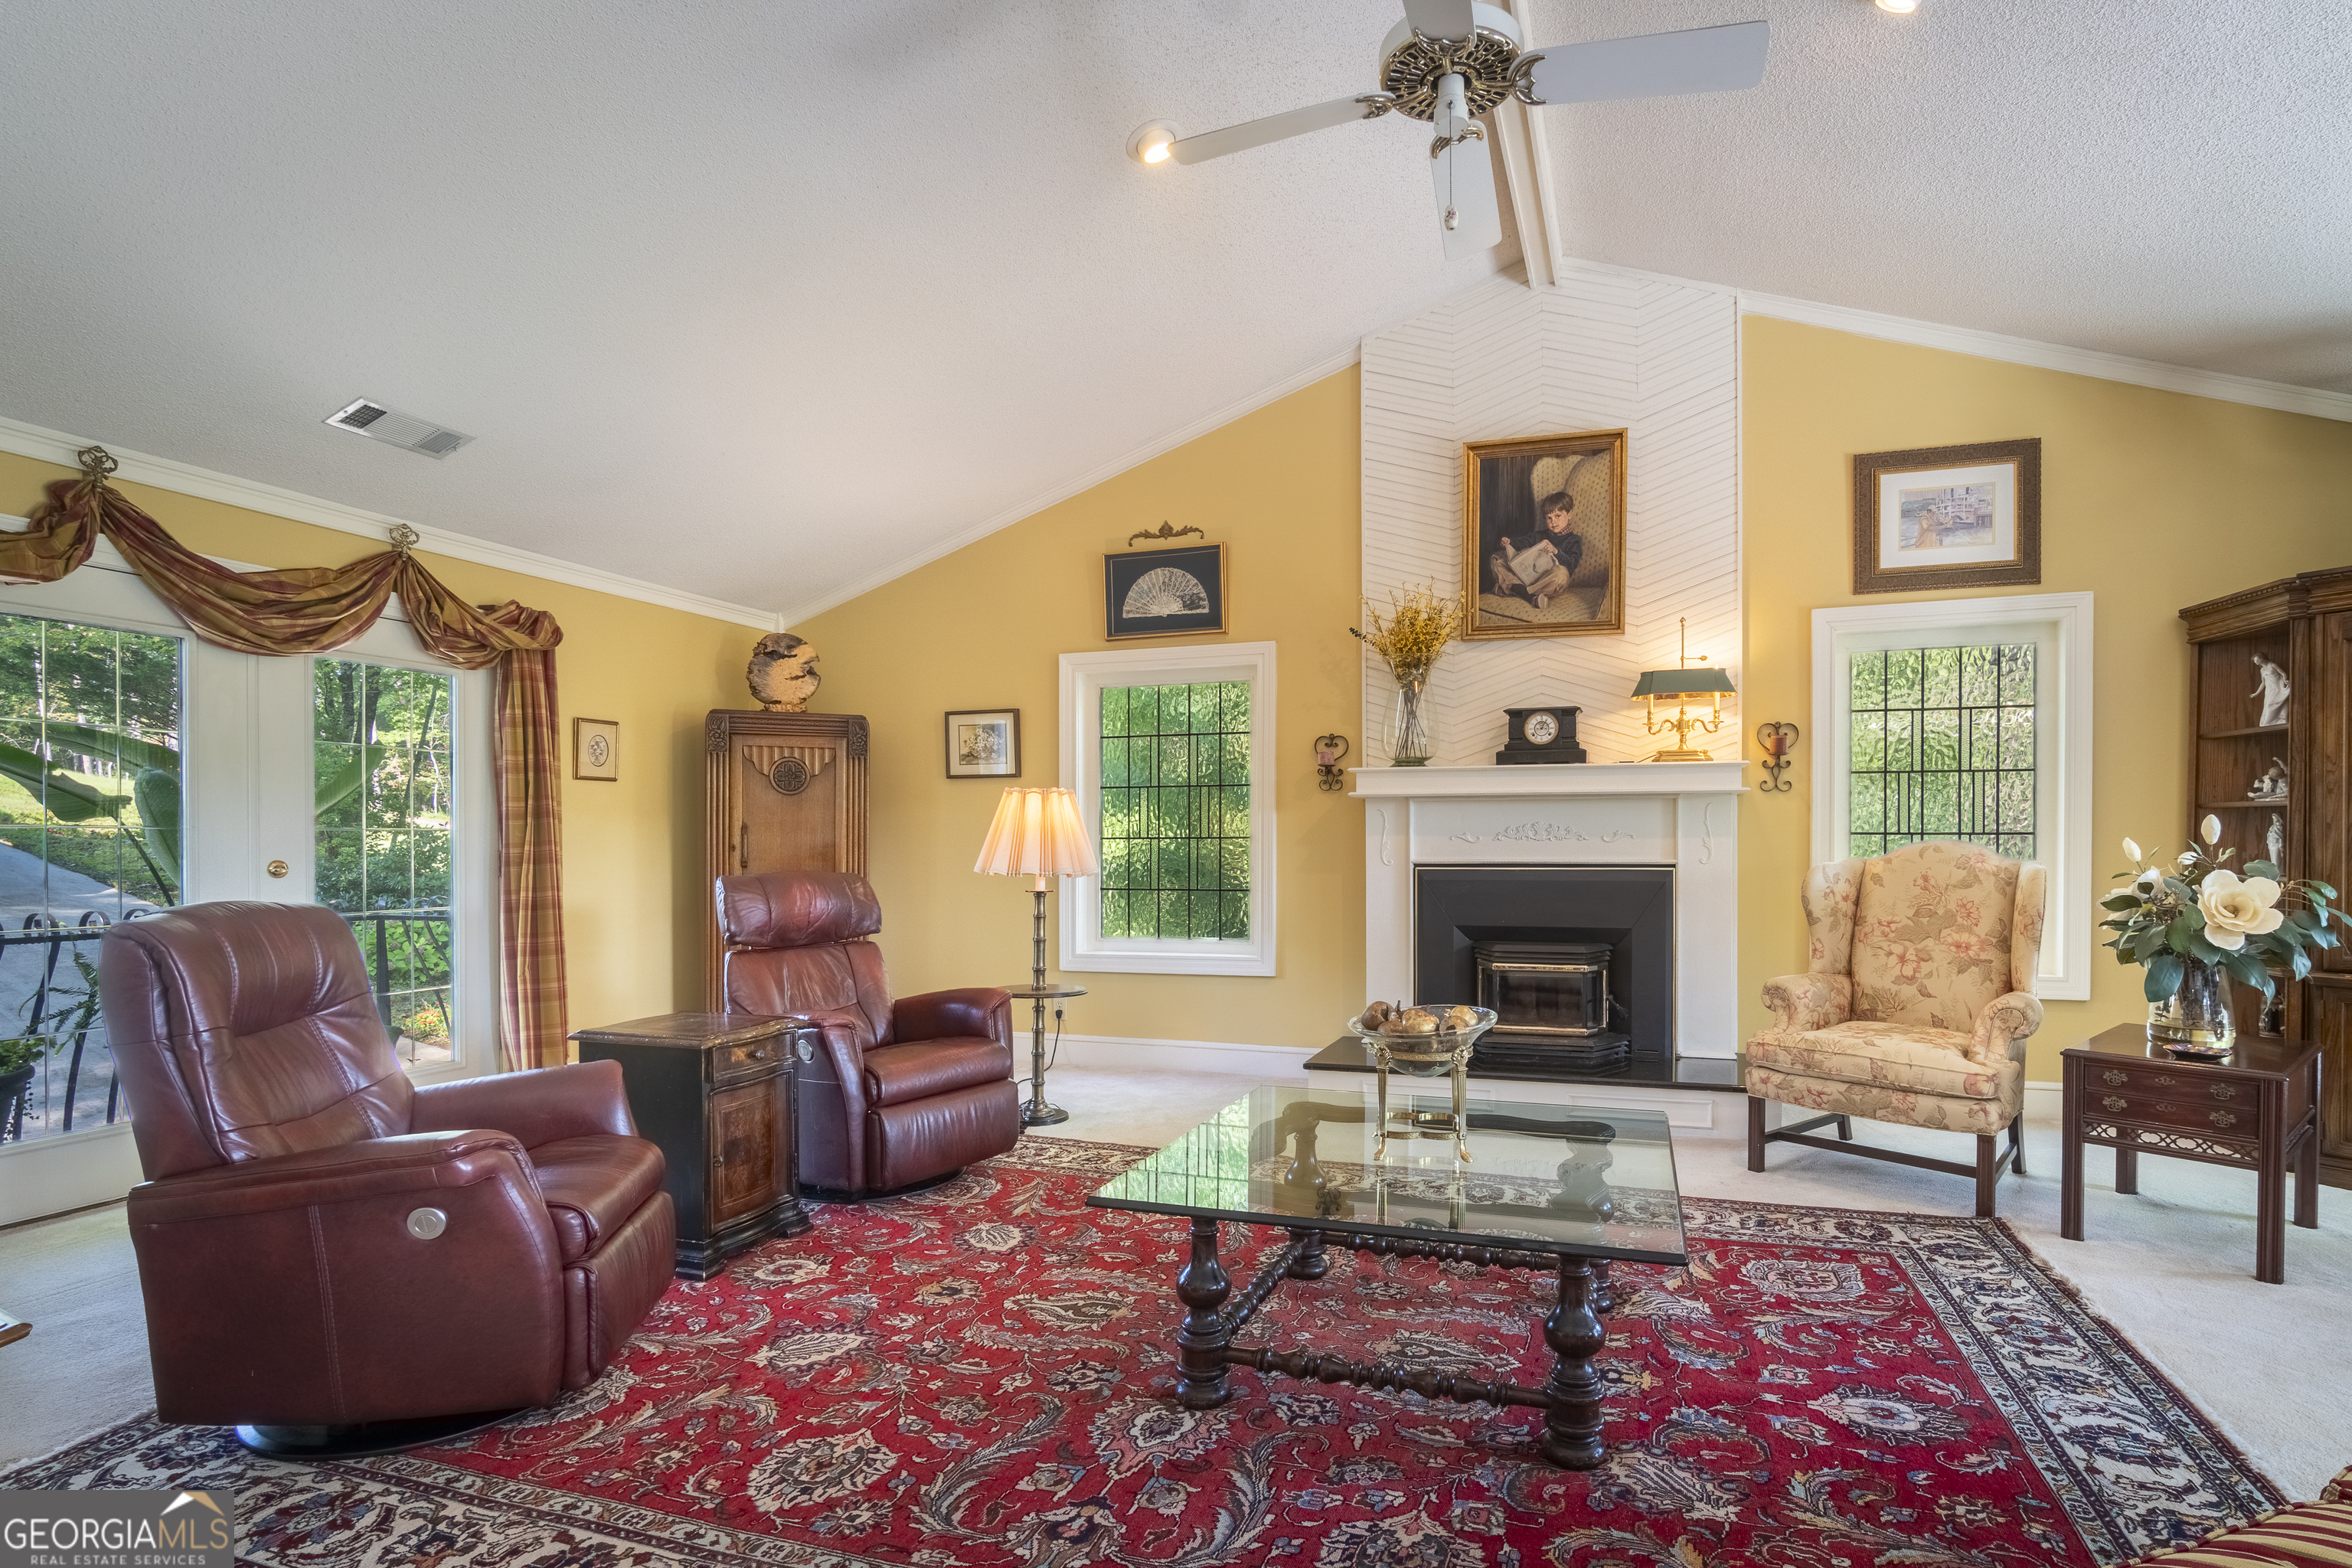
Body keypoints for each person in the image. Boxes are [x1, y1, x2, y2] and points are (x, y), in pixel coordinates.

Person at [1489, 490, 1585, 610]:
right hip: (1529, 579)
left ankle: (1516, 590)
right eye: (1548, 518)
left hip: (1548, 582)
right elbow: (1522, 542)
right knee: (1498, 563)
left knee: (1562, 574)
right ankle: (1531, 597)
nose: (1553, 522)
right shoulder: (1539, 536)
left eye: (1557, 516)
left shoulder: (1574, 540)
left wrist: (1556, 552)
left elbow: (1571, 565)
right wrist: (1509, 542)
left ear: (1569, 514)